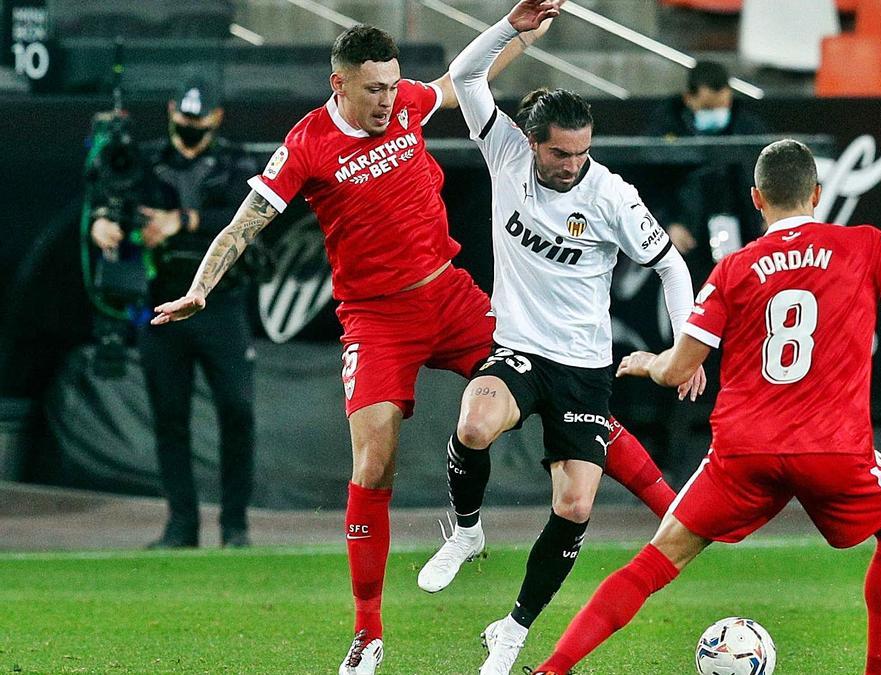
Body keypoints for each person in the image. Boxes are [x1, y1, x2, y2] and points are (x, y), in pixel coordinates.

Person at [150, 16, 678, 675]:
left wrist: (522, 32)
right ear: (337, 84)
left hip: (449, 294)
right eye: (373, 89)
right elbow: (243, 224)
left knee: (558, 377)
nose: (386, 101)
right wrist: (202, 287)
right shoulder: (308, 143)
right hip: (375, 318)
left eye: (393, 86)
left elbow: (463, 82)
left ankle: (673, 511)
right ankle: (368, 633)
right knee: (373, 459)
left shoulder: (406, 105)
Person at [532, 139, 881, 675]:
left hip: (744, 451)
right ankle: (880, 672)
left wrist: (648, 363)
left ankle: (553, 668)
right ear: (817, 194)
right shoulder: (864, 245)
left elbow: (679, 370)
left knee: (658, 559)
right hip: (834, 451)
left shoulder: (733, 268)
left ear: (757, 199)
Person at [416, 3, 703, 673]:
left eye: (581, 151)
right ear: (533, 140)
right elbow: (465, 73)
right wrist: (512, 28)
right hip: (518, 345)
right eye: (560, 152)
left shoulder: (610, 194)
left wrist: (688, 343)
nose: (572, 164)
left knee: (574, 504)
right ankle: (465, 532)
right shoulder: (506, 149)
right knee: (476, 420)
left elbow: (669, 264)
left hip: (582, 365)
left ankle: (512, 628)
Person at [91, 78, 260, 549]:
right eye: (182, 120)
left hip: (221, 303)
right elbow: (107, 202)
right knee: (169, 415)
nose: (189, 128)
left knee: (237, 409)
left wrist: (180, 222)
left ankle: (234, 525)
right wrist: (103, 224)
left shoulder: (236, 161)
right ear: (170, 112)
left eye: (198, 120)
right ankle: (181, 525)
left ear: (217, 118)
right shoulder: (142, 160)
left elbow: (251, 220)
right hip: (160, 300)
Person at [643, 60, 768, 287]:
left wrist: (766, 215)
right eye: (708, 108)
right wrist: (667, 223)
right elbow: (650, 183)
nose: (718, 114)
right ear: (689, 99)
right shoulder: (664, 127)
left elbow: (766, 173)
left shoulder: (748, 126)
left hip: (741, 231)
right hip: (687, 236)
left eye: (723, 106)